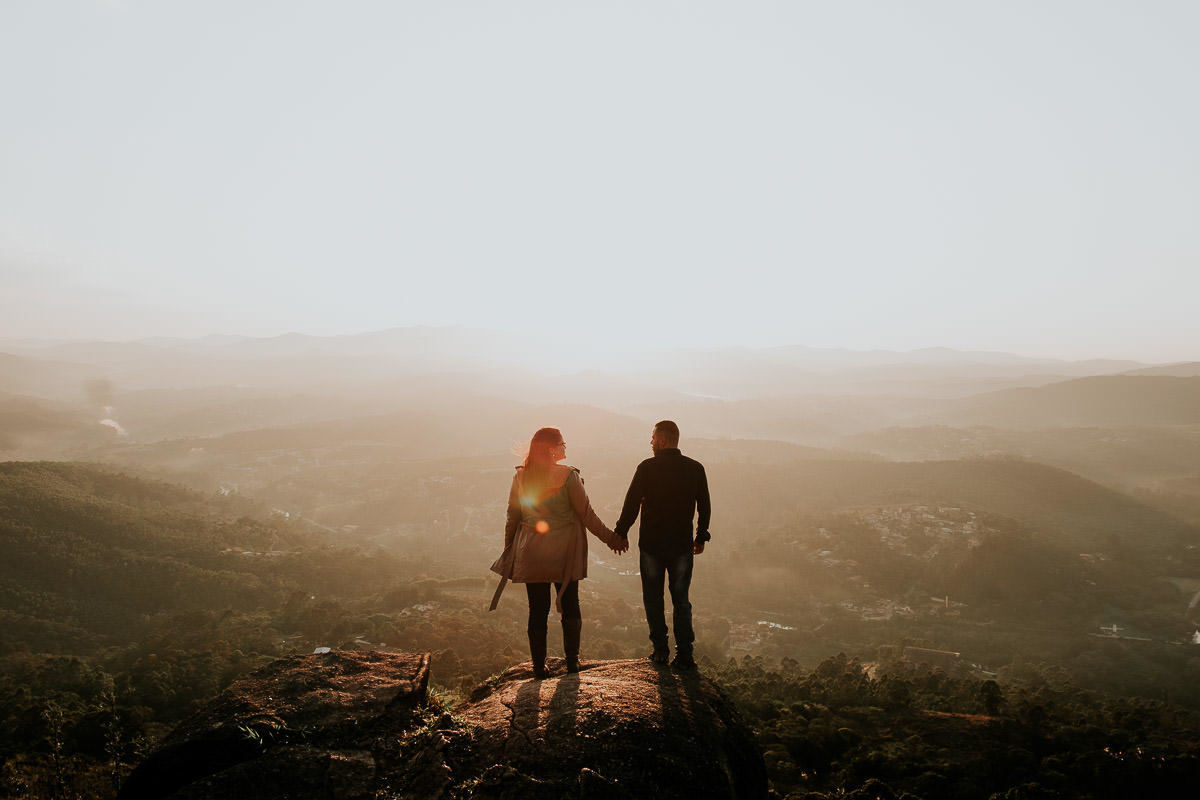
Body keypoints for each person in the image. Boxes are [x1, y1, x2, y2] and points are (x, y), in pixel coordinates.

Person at [490, 427, 625, 679]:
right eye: (563, 443)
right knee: (570, 604)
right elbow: (587, 515)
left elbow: (513, 517)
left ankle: (539, 667)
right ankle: (572, 663)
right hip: (564, 552)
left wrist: (510, 551)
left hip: (531, 552)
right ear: (552, 449)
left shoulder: (521, 477)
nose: (565, 447)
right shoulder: (568, 477)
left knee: (537, 610)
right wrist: (612, 539)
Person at [614, 420, 710, 670]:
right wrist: (700, 537)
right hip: (681, 546)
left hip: (652, 546)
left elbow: (631, 503)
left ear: (663, 440)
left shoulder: (647, 468)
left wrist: (621, 532)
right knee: (681, 600)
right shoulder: (695, 468)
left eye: (653, 438)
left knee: (653, 598)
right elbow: (705, 506)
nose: (651, 442)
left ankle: (659, 650)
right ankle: (685, 654)